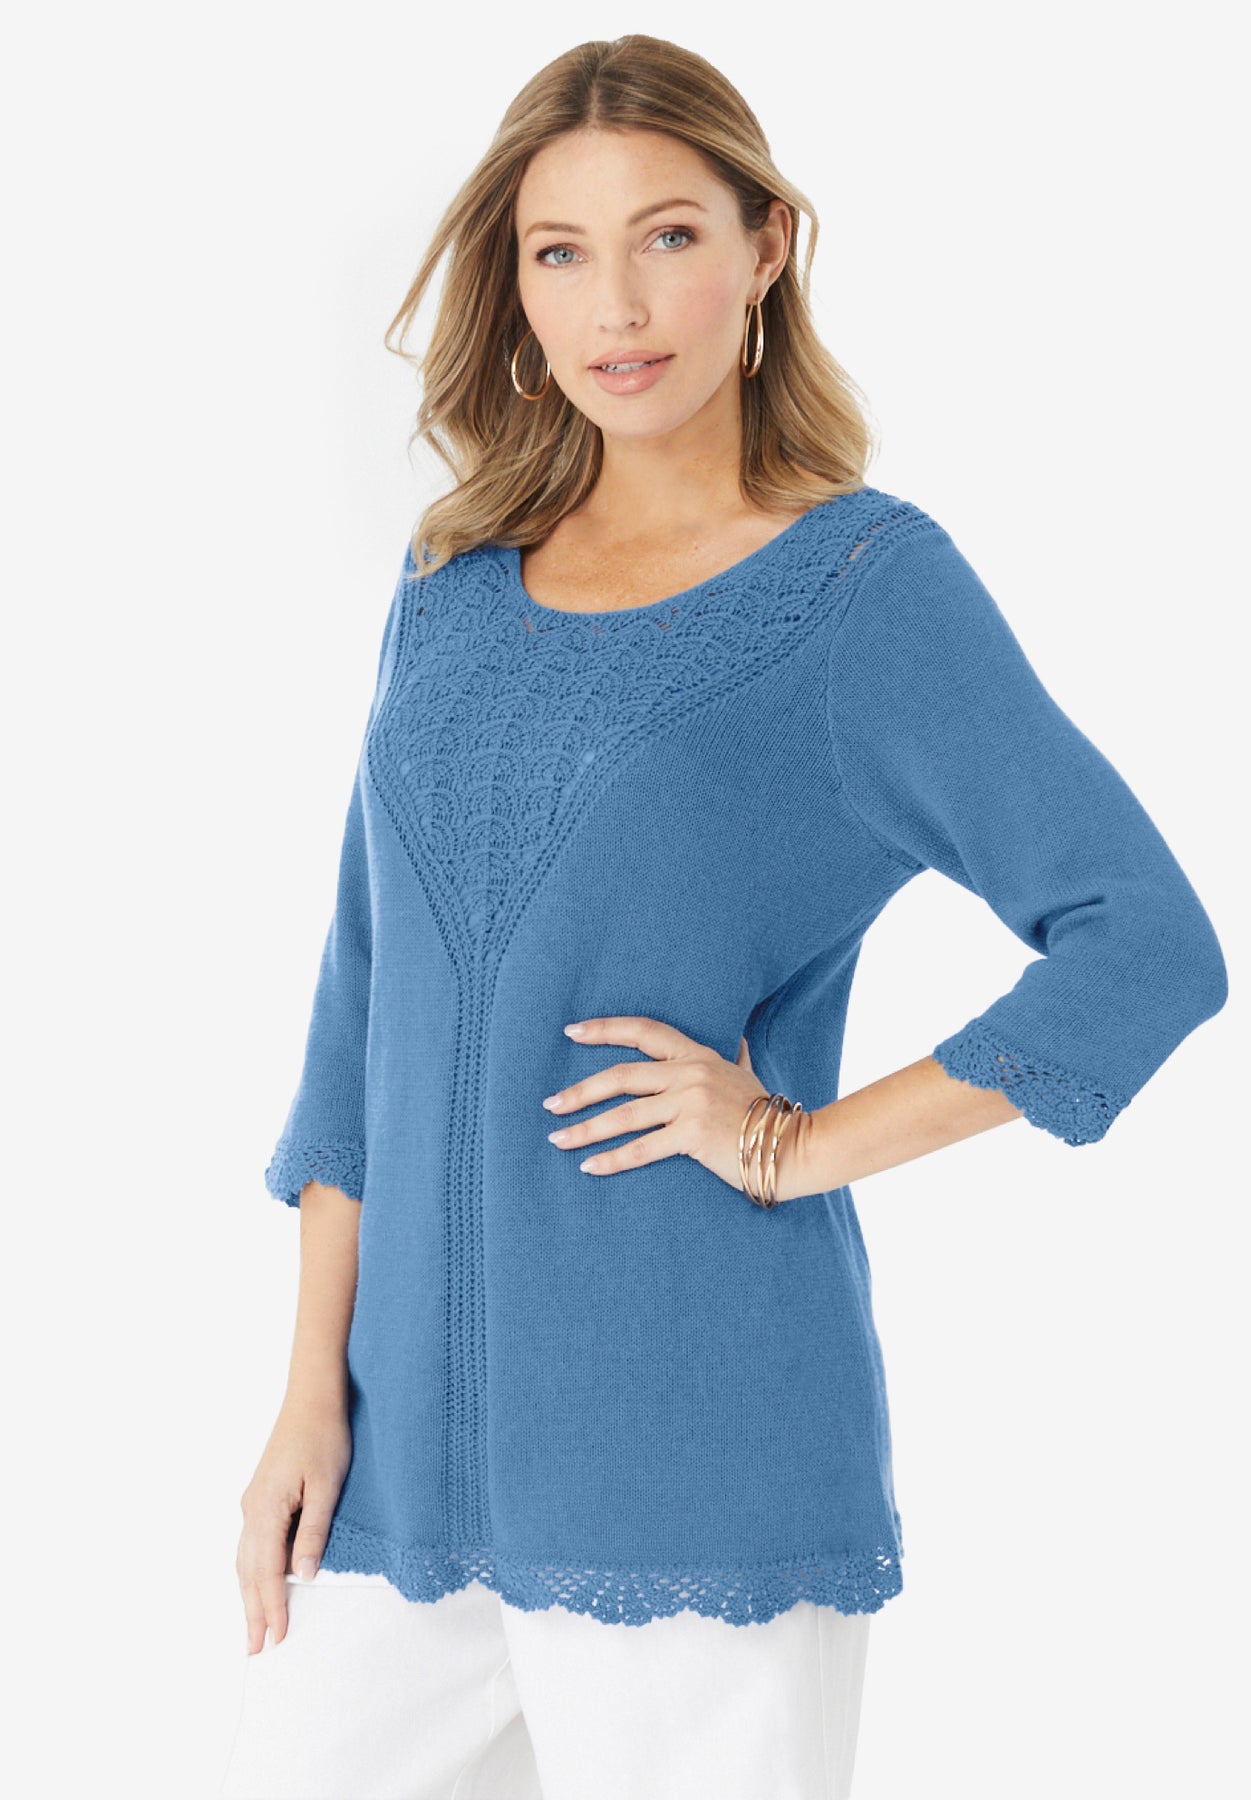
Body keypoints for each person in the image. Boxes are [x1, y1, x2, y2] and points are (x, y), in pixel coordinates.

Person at [219, 32, 1228, 1800]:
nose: (617, 305)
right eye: (562, 251)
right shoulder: (450, 577)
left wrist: (795, 1143)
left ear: (768, 248)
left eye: (669, 236)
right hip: (398, 1477)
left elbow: (1144, 942)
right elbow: (362, 1002)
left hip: (696, 1470)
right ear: (516, 285)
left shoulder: (862, 591)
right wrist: (310, 1393)